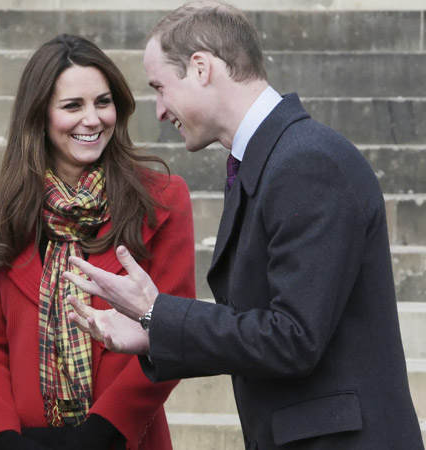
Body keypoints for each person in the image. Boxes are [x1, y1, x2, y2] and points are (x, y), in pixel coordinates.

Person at [64, 2, 423, 449]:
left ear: (200, 68)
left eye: (160, 87)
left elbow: (292, 339)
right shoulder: (271, 158)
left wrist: (159, 313)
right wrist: (155, 334)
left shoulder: (308, 161)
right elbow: (262, 328)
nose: (158, 109)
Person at [0, 34, 196, 450]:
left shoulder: (164, 200)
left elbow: (173, 334)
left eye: (103, 102)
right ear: (40, 116)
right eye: (72, 106)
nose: (93, 119)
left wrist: (103, 432)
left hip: (120, 438)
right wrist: (1, 438)